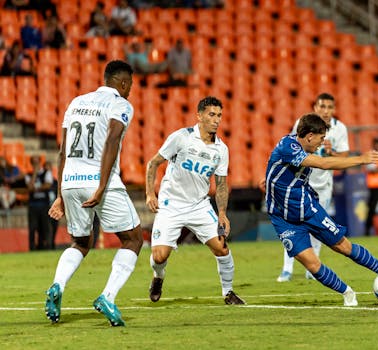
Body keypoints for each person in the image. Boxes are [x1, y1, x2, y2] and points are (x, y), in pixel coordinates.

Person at [264, 113, 378, 306]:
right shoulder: (288, 146)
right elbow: (324, 164)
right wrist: (361, 159)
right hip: (283, 219)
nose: (321, 143)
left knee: (343, 247)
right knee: (312, 264)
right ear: (309, 136)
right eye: (320, 138)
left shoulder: (302, 150)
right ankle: (347, 293)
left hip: (308, 210)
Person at [46, 60, 143, 326]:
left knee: (80, 242)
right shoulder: (120, 104)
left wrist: (60, 194)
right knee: (133, 239)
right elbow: (112, 139)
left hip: (70, 181)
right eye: (130, 85)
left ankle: (57, 285)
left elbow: (63, 150)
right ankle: (108, 297)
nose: (131, 90)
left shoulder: (76, 102)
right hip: (100, 181)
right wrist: (101, 186)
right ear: (123, 83)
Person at [145, 96, 245, 305]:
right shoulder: (181, 138)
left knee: (222, 247)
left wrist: (222, 214)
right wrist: (150, 194)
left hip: (199, 206)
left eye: (219, 115)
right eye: (211, 114)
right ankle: (158, 276)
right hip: (171, 204)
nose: (216, 119)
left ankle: (228, 292)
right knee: (159, 256)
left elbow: (221, 184)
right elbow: (153, 163)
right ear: (199, 116)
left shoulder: (221, 149)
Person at [276, 92, 350, 282]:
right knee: (293, 225)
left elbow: (344, 156)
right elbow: (293, 146)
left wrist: (331, 152)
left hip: (323, 184)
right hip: (301, 181)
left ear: (334, 109)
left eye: (330, 107)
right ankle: (287, 268)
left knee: (318, 226)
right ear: (315, 107)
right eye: (322, 106)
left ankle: (312, 268)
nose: (326, 111)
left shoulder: (340, 128)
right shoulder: (304, 122)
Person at [25, 156, 54, 250]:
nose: (36, 165)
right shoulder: (29, 175)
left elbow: (48, 185)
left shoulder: (47, 173)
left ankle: (47, 246)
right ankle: (32, 248)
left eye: (37, 162)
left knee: (46, 227)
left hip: (44, 204)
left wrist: (36, 188)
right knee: (32, 228)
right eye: (34, 163)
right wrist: (35, 173)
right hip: (33, 205)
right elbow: (29, 188)